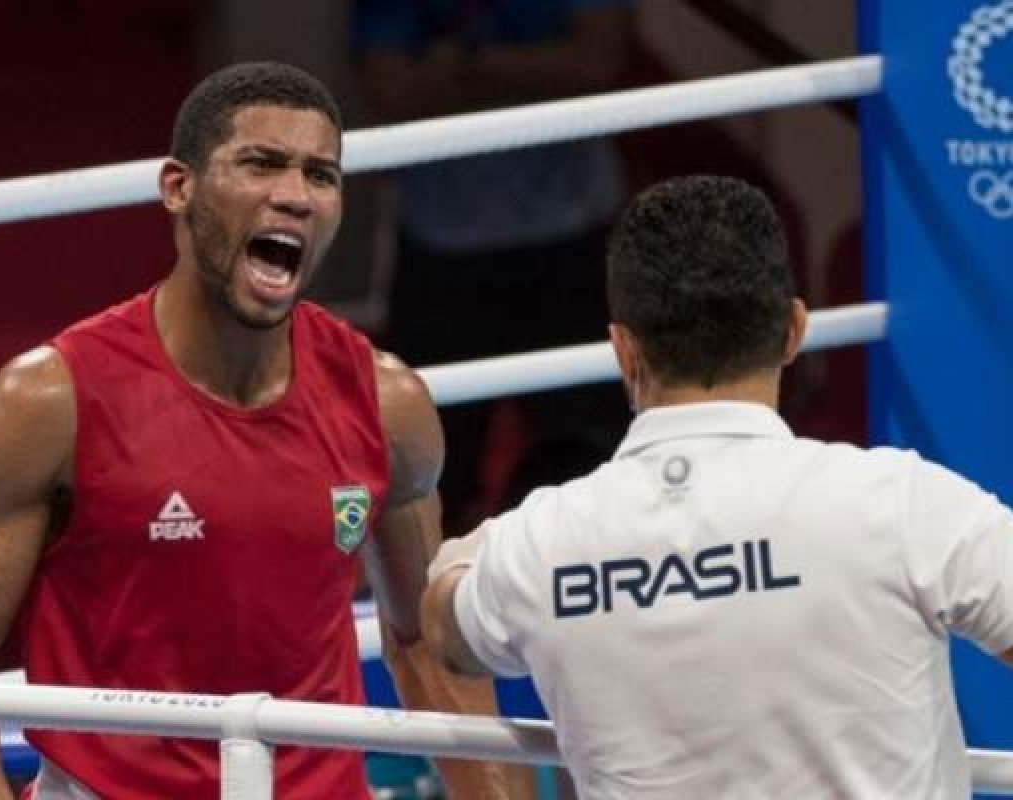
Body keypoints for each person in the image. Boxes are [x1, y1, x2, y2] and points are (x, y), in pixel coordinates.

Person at [0, 61, 522, 800]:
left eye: (320, 175)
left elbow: (426, 642)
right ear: (178, 187)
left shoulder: (388, 404)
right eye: (260, 164)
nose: (293, 194)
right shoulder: (49, 401)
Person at [422, 175, 1013, 798]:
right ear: (793, 331)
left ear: (623, 351)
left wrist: (472, 557)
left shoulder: (538, 544)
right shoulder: (899, 504)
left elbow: (444, 627)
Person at [352, 0, 635, 539]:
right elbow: (392, 89)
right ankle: (432, 619)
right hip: (444, 246)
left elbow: (599, 61)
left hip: (573, 240)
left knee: (598, 475)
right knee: (424, 480)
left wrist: (463, 66)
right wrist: (537, 72)